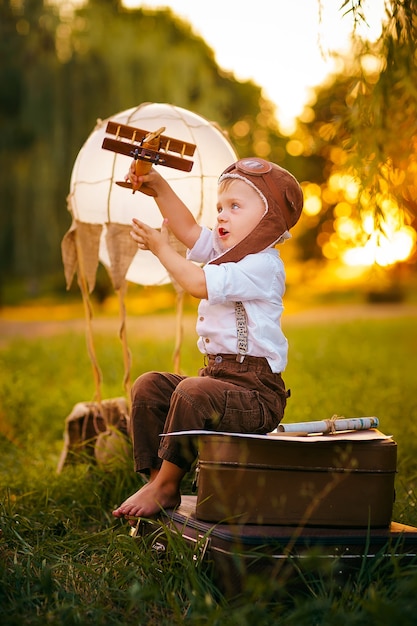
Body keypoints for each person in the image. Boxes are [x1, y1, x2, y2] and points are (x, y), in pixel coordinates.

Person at [112, 157, 303, 520]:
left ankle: (168, 484)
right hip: (217, 380)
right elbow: (185, 228)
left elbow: (199, 284)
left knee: (192, 391)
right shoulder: (226, 251)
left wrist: (160, 248)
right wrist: (156, 184)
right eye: (219, 207)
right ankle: (158, 482)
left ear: (268, 221)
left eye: (234, 207)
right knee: (150, 386)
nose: (221, 216)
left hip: (255, 393)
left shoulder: (263, 265)